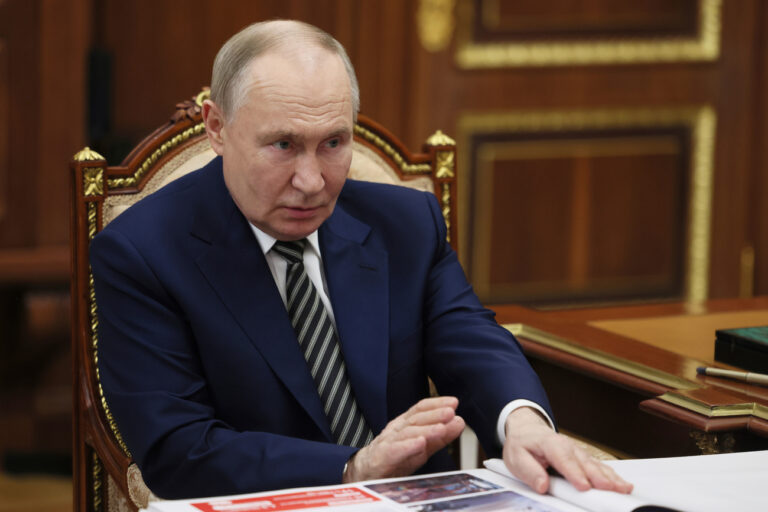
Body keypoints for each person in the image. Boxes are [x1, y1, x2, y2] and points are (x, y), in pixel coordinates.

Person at [90, 20, 632, 500]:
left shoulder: (406, 222)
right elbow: (177, 449)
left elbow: (470, 340)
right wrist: (352, 467)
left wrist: (523, 424)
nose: (312, 182)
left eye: (333, 143)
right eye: (282, 145)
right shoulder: (143, 252)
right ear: (216, 128)